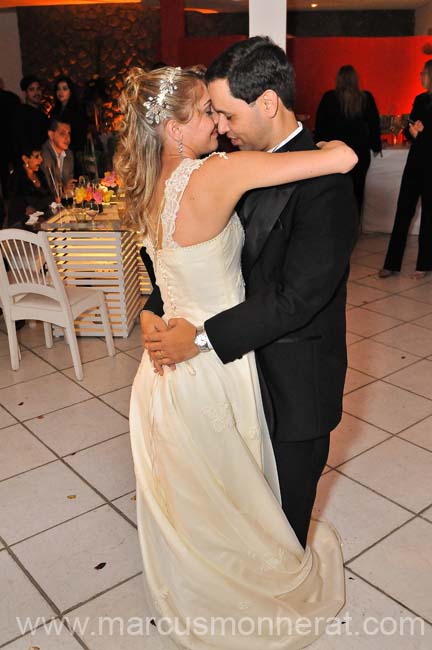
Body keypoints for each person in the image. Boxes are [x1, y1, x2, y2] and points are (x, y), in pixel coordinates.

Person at [118, 59, 357, 648]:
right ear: (175, 129)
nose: (219, 125)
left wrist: (161, 320)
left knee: (213, 492)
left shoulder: (156, 184)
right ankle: (243, 590)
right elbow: (343, 157)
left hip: (181, 369)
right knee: (227, 487)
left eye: (223, 112)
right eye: (208, 112)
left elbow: (296, 293)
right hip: (209, 366)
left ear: (267, 103)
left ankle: (210, 584)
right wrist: (166, 316)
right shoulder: (218, 172)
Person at [379, 59, 432, 280]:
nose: (420, 76)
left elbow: (422, 134)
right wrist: (412, 131)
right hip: (415, 164)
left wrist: (423, 133)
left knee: (429, 215)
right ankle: (391, 264)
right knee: (403, 211)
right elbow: (408, 131)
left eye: (423, 73)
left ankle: (424, 264)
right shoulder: (420, 99)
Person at [314, 64, 381, 211]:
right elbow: (374, 125)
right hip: (359, 153)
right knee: (357, 191)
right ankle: (354, 227)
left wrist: (318, 148)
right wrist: (376, 146)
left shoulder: (329, 98)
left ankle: (336, 227)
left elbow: (320, 126)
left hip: (334, 153)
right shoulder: (366, 98)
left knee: (334, 192)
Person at [7, 145, 53, 228]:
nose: (41, 159)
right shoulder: (17, 177)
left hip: (40, 222)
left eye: (41, 155)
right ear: (25, 158)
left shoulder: (40, 173)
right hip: (20, 227)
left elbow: (50, 197)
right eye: (36, 156)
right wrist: (38, 205)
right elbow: (18, 206)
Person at [51, 76, 87, 170]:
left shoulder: (77, 110)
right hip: (58, 153)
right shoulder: (54, 111)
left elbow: (80, 134)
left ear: (70, 91)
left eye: (65, 89)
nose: (61, 92)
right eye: (58, 89)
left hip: (73, 153)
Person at [12, 75, 49, 166]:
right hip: (29, 163)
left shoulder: (42, 114)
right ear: (25, 93)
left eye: (38, 89)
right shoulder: (20, 113)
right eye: (32, 89)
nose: (36, 93)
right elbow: (21, 140)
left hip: (43, 161)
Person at [40, 118, 75, 202]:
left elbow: (69, 184)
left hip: (63, 202)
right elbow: (49, 190)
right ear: (51, 135)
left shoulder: (68, 154)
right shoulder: (42, 156)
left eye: (69, 133)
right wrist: (64, 189)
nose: (67, 138)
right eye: (62, 134)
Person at [0, 85, 20, 198]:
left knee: (5, 178)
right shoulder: (11, 98)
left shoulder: (11, 98)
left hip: (7, 143)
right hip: (13, 143)